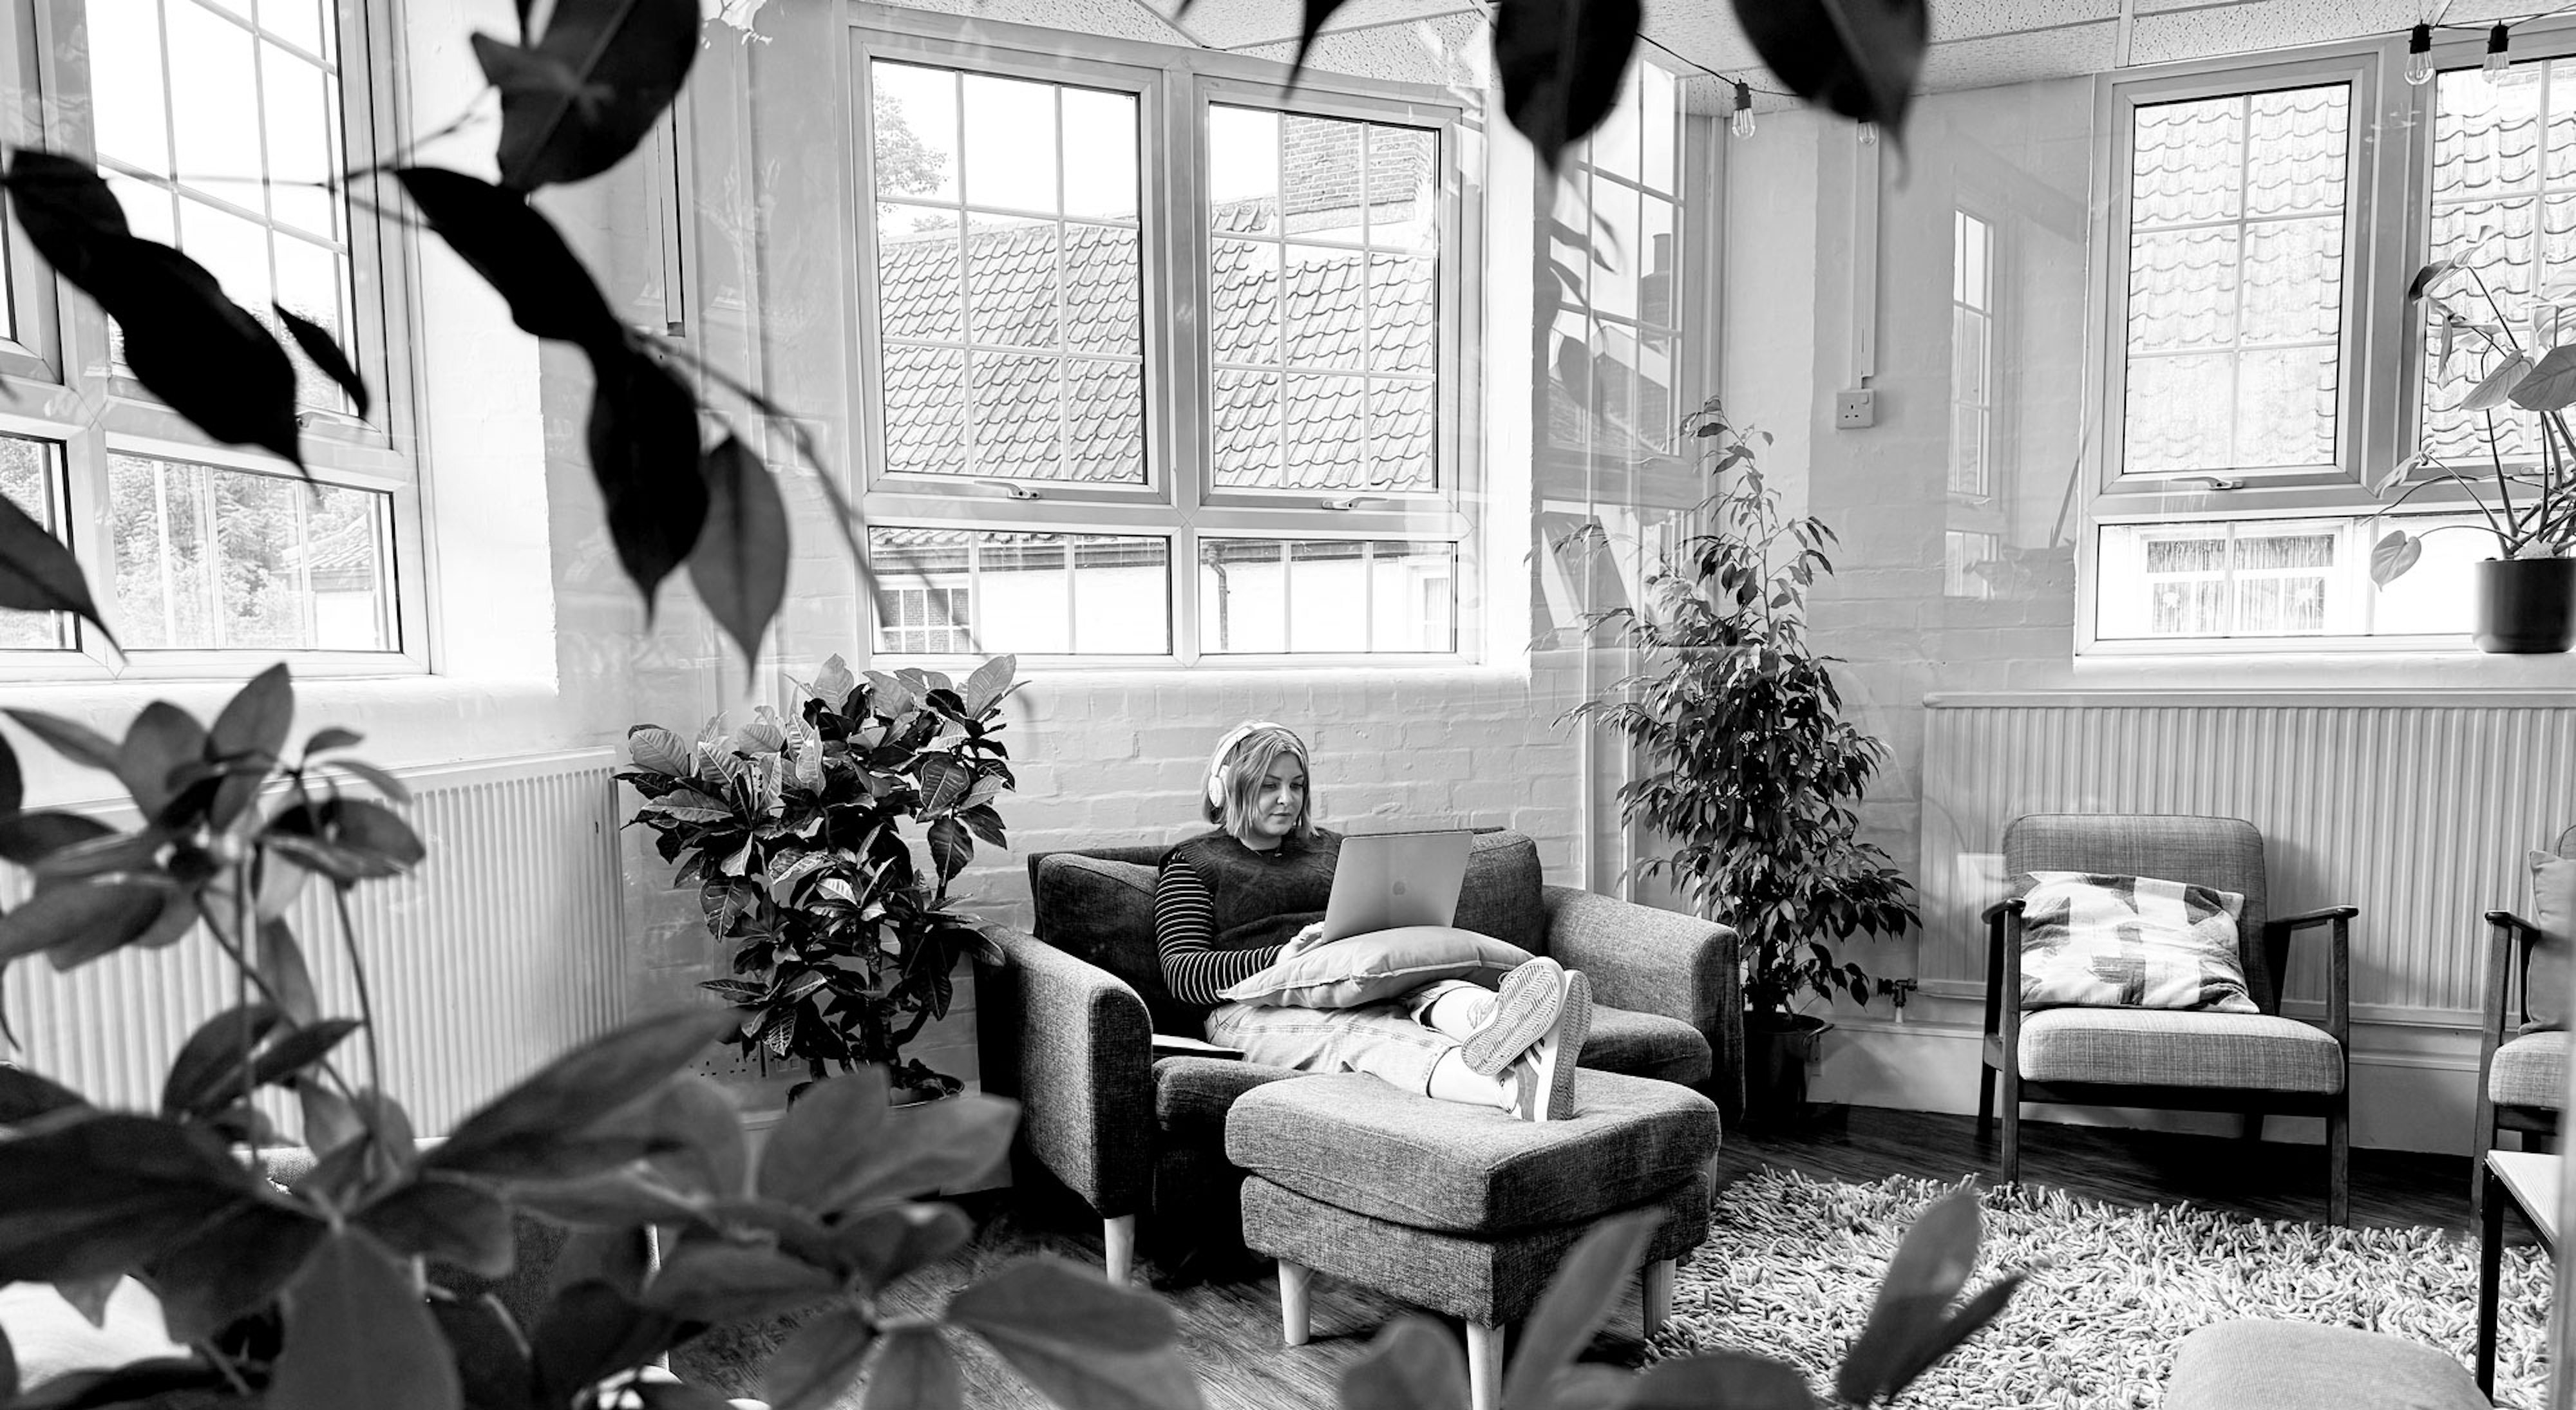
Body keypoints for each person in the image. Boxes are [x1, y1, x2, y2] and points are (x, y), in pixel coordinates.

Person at [1154, 720, 1591, 1121]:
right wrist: (1280, 958)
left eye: (1297, 785)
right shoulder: (1194, 863)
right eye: (1269, 787)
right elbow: (1182, 973)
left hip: (1353, 981)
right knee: (1365, 1033)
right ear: (1227, 789)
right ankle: (1512, 1088)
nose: (1287, 800)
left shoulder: (1330, 850)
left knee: (1422, 982)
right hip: (1248, 1010)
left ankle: (1501, 1019)